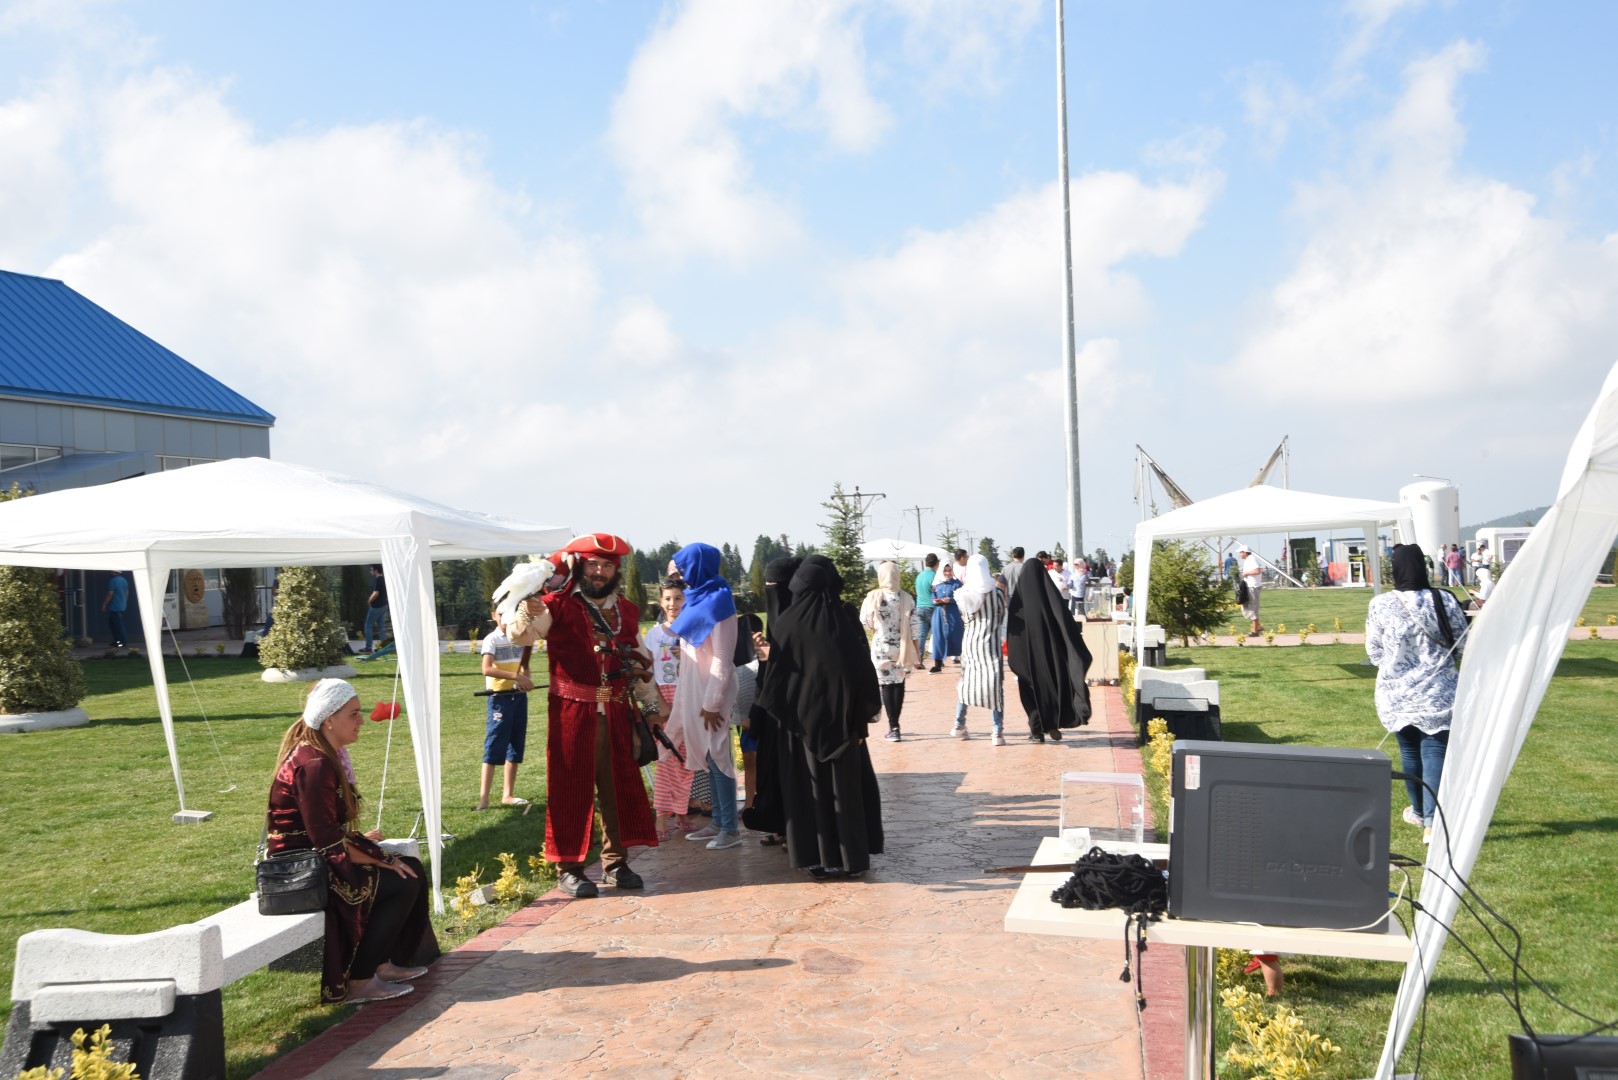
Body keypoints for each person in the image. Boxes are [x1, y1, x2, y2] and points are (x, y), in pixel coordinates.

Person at [505, 533, 661, 898]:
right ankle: (569, 869)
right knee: (571, 789)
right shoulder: (555, 605)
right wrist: (526, 611)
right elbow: (520, 638)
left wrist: (652, 707)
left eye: (606, 566)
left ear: (615, 571)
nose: (599, 572)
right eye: (593, 565)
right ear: (580, 567)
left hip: (617, 713)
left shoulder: (626, 611)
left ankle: (615, 863)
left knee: (618, 787)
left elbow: (641, 660)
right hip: (571, 716)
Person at [265, 679, 438, 1004]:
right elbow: (326, 842)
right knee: (402, 880)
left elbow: (325, 830)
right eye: (354, 714)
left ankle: (379, 965)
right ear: (330, 719)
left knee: (409, 870)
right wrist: (383, 859)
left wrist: (369, 849)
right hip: (300, 870)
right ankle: (359, 981)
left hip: (314, 857)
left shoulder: (321, 755)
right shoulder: (314, 764)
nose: (362, 721)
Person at [755, 556, 884, 879]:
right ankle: (849, 860)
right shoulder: (842, 624)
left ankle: (814, 860)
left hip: (800, 734)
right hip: (843, 729)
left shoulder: (785, 625)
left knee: (806, 794)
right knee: (844, 793)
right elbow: (861, 676)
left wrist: (770, 660)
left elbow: (777, 685)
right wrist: (859, 723)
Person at [1366, 544, 1468, 844]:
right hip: (1438, 689)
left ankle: (1421, 812)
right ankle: (1432, 824)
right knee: (1434, 751)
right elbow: (1462, 643)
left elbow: (1374, 652)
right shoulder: (1444, 599)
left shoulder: (1381, 604)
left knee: (1409, 752)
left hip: (1397, 691)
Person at [665, 543, 742, 851]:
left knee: (718, 755)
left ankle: (731, 829)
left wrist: (712, 703)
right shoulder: (696, 598)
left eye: (683, 569)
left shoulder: (720, 602)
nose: (679, 576)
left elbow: (722, 656)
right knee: (707, 756)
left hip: (713, 690)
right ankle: (718, 821)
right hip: (694, 687)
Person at [742, 556, 801, 848]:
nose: (770, 591)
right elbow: (769, 673)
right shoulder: (777, 620)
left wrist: (771, 658)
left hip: (794, 714)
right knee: (772, 769)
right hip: (772, 713)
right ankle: (778, 825)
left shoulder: (802, 620)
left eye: (774, 585)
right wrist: (766, 656)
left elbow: (800, 668)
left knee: (792, 773)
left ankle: (795, 831)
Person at [1007, 559, 1093, 743]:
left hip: (1026, 659)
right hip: (1051, 658)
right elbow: (1066, 624)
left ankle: (1037, 731)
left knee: (1030, 694)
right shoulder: (1051, 597)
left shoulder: (1018, 601)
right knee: (1050, 689)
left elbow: (1013, 632)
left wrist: (1016, 659)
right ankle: (1052, 722)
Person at [646, 578, 696, 839]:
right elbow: (646, 674)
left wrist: (688, 658)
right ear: (660, 602)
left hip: (689, 699)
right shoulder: (653, 635)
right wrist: (660, 703)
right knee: (665, 759)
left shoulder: (693, 633)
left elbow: (704, 669)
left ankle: (681, 813)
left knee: (686, 761)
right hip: (664, 700)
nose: (672, 603)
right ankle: (661, 818)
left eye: (678, 598)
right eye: (667, 598)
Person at [476, 608, 533, 810]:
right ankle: (484, 800)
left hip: (518, 698)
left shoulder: (521, 638)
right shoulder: (491, 639)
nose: (505, 619)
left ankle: (507, 795)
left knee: (515, 745)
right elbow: (486, 669)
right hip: (499, 699)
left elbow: (525, 665)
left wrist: (526, 679)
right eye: (501, 615)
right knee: (494, 746)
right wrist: (516, 677)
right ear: (493, 615)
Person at [859, 561, 918, 741]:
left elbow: (865, 623)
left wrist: (876, 628)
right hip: (902, 647)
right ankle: (896, 725)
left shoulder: (872, 597)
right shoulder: (907, 598)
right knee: (899, 684)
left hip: (881, 647)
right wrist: (917, 652)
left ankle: (892, 727)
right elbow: (915, 628)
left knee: (886, 685)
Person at [952, 554, 1007, 744]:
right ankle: (997, 731)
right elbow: (1001, 615)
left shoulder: (963, 593)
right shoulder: (997, 593)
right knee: (995, 686)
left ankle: (959, 724)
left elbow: (964, 617)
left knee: (966, 684)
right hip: (991, 644)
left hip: (970, 644)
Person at [928, 560, 964, 672]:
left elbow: (962, 598)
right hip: (939, 613)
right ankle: (938, 664)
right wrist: (935, 601)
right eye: (945, 571)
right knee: (938, 637)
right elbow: (932, 596)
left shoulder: (957, 584)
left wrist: (951, 600)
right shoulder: (936, 584)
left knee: (956, 634)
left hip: (953, 613)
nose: (947, 573)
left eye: (949, 570)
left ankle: (964, 659)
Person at [913, 553, 938, 670]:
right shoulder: (935, 576)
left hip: (919, 606)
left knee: (922, 635)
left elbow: (917, 591)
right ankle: (937, 659)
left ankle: (919, 660)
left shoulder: (919, 576)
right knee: (936, 634)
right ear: (936, 563)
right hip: (931, 607)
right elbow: (936, 592)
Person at [1237, 544, 1263, 636]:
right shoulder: (1250, 559)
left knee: (1252, 607)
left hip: (1253, 586)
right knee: (1247, 606)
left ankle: (1255, 631)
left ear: (1245, 552)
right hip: (1250, 586)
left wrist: (1246, 573)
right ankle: (1258, 626)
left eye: (1241, 552)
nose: (1240, 554)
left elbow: (1257, 571)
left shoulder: (1251, 559)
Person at [364, 565, 389, 653]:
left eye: (372, 570)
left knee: (368, 625)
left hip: (376, 606)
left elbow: (375, 594)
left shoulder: (378, 580)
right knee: (381, 627)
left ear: (376, 571)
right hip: (384, 605)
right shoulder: (385, 580)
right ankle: (384, 647)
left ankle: (368, 647)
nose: (370, 571)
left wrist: (369, 601)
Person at [101, 571, 129, 648]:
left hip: (115, 606)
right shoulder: (124, 580)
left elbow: (110, 593)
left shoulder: (113, 581)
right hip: (121, 606)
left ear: (114, 572)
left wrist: (104, 604)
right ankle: (117, 641)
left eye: (111, 571)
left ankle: (122, 642)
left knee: (117, 625)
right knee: (114, 625)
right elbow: (126, 592)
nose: (110, 573)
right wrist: (124, 602)